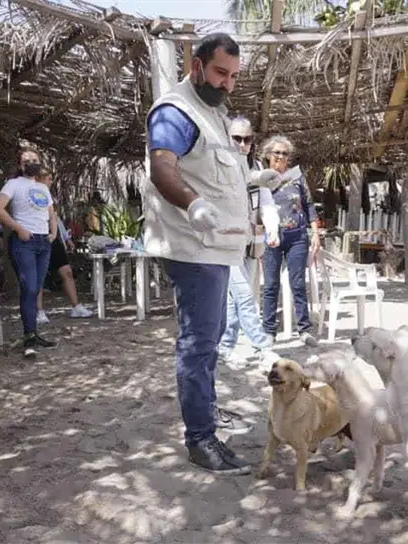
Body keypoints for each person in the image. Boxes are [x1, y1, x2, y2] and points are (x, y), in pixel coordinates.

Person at [142, 33, 253, 474]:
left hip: (218, 248)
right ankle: (200, 438)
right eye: (220, 73)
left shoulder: (214, 115)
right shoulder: (176, 111)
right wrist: (193, 204)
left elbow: (218, 176)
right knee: (198, 343)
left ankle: (205, 417)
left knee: (210, 340)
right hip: (193, 248)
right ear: (196, 66)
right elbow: (162, 168)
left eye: (234, 76)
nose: (227, 83)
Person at [217, 117, 280, 367]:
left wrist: (272, 229)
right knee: (244, 296)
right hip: (225, 244)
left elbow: (266, 203)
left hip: (250, 243)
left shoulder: (256, 166)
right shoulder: (218, 167)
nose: (242, 144)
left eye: (247, 139)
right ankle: (263, 348)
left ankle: (225, 347)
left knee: (235, 299)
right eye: (237, 139)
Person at [0, 149, 58, 357]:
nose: (32, 163)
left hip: (43, 242)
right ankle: (29, 335)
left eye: (35, 160)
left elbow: (51, 213)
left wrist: (53, 234)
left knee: (36, 288)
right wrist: (18, 229)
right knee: (29, 287)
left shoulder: (42, 187)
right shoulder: (13, 184)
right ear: (20, 165)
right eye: (27, 160)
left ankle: (33, 333)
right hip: (24, 242)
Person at [259, 135, 321, 347]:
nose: (280, 156)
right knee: (270, 285)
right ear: (268, 154)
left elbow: (309, 205)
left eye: (285, 153)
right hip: (271, 237)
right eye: (276, 152)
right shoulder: (261, 178)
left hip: (297, 237)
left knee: (298, 284)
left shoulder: (297, 177)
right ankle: (269, 331)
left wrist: (315, 234)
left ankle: (304, 330)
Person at [34, 168, 93, 323]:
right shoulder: (30, 194)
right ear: (39, 179)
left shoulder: (49, 196)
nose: (51, 182)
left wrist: (66, 238)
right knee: (38, 276)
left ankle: (76, 307)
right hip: (39, 237)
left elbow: (55, 218)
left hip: (55, 239)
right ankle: (39, 311)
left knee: (67, 272)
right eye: (48, 179)